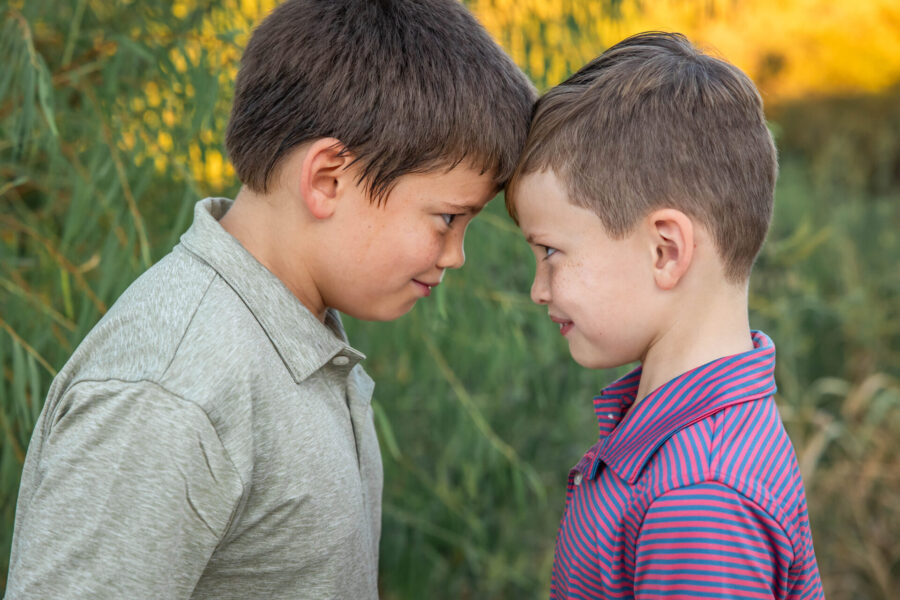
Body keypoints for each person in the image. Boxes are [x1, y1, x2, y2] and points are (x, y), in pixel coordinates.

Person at [5, 1, 535, 598]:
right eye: (447, 218)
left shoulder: (293, 333)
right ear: (327, 179)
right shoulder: (172, 392)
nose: (456, 255)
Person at [506, 32, 824, 599]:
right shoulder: (681, 443)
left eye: (550, 251)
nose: (537, 289)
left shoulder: (701, 499)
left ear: (665, 251)